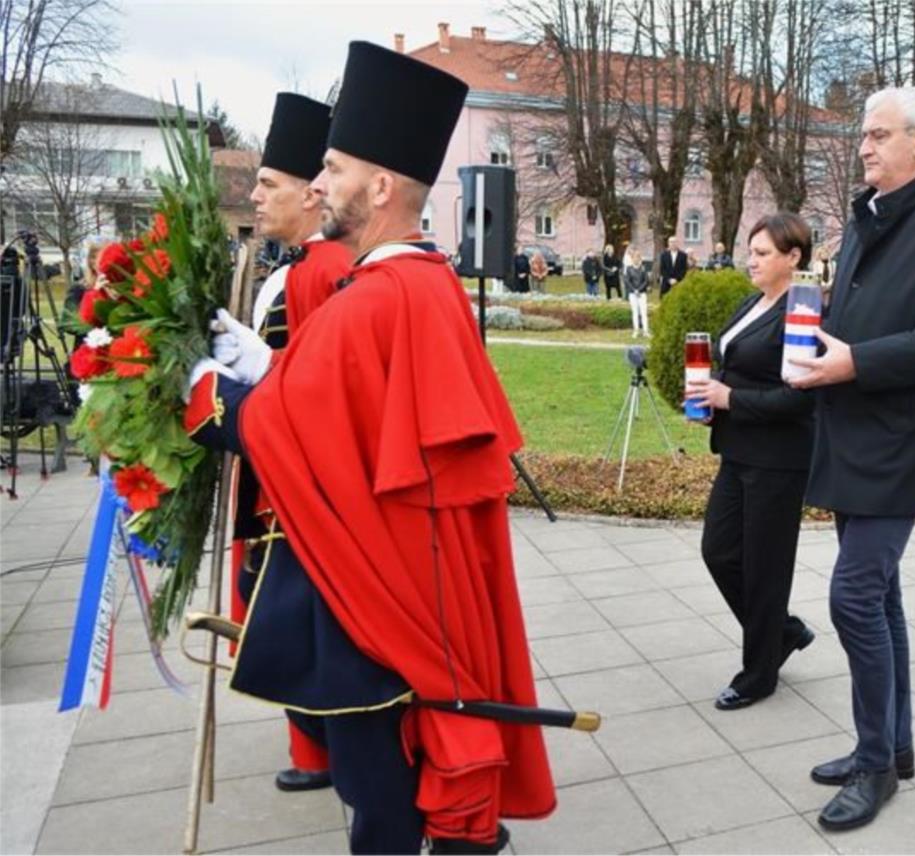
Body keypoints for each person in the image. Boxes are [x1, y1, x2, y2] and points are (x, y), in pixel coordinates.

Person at [184, 42, 555, 854]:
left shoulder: (372, 301)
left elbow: (266, 428)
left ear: (382, 187)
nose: (318, 185)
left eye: (334, 168)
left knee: (379, 792)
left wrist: (192, 384)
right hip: (410, 573)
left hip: (373, 589)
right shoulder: (426, 282)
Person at [787, 87, 915, 834]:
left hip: (903, 441)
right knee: (881, 599)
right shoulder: (868, 213)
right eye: (864, 135)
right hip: (849, 431)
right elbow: (855, 315)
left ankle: (876, 766)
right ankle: (894, 746)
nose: (865, 146)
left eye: (879, 135)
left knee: (852, 598)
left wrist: (858, 362)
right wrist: (814, 345)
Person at [235, 92, 353, 794]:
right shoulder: (288, 269)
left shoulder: (320, 273)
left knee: (296, 616)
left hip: (301, 491)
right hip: (276, 477)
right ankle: (320, 742)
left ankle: (334, 739)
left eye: (269, 184)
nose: (255, 195)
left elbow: (312, 392)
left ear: (313, 196)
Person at [686, 212, 816, 713]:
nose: (752, 261)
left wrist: (729, 397)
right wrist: (707, 398)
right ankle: (781, 631)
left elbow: (801, 398)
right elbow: (734, 361)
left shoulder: (802, 312)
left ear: (793, 258)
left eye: (763, 254)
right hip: (738, 451)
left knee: (765, 569)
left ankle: (759, 674)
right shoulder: (753, 303)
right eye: (751, 251)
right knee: (719, 552)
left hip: (779, 460)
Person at [623, 245, 650, 337]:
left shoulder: (643, 268)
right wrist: (634, 290)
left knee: (643, 312)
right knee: (635, 312)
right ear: (632, 258)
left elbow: (646, 281)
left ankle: (646, 331)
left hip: (642, 293)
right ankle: (636, 330)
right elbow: (627, 281)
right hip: (632, 293)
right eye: (635, 257)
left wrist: (639, 289)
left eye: (638, 257)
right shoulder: (629, 269)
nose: (636, 259)